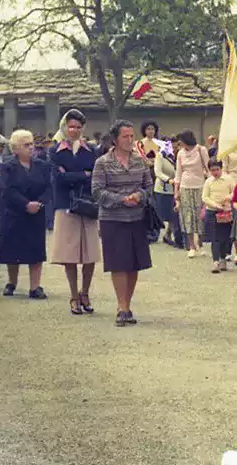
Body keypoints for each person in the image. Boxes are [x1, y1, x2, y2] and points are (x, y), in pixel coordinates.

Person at [91, 119, 153, 326]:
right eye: (125, 136)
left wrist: (139, 196)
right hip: (112, 219)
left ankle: (127, 303)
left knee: (134, 263)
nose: (129, 140)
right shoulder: (102, 162)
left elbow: (149, 187)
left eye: (131, 136)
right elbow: (97, 191)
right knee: (118, 263)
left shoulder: (140, 161)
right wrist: (120, 200)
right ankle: (121, 306)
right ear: (115, 139)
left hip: (136, 218)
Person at [50, 108, 100, 316]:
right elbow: (57, 179)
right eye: (71, 126)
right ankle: (73, 296)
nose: (75, 130)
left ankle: (85, 292)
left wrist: (71, 174)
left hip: (87, 206)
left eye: (79, 127)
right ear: (65, 127)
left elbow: (94, 176)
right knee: (69, 255)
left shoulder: (91, 150)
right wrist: (82, 174)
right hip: (65, 206)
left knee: (90, 255)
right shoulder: (54, 151)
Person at [0, 129, 52, 299]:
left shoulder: (42, 165)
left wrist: (39, 203)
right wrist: (25, 204)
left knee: (36, 250)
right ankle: (12, 282)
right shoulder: (7, 166)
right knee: (12, 250)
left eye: (32, 144)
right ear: (15, 149)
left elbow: (49, 187)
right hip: (14, 213)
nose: (31, 148)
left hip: (36, 214)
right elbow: (7, 190)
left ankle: (35, 287)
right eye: (26, 145)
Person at [174, 130, 208, 258]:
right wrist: (176, 191)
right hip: (185, 186)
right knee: (187, 215)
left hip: (199, 185)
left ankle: (200, 244)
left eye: (181, 140)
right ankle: (191, 246)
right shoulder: (180, 153)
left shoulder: (201, 150)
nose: (179, 143)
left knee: (200, 215)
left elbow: (208, 167)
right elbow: (178, 173)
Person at [202, 157, 237, 273]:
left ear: (221, 169)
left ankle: (223, 259)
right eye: (212, 170)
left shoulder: (228, 179)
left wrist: (228, 198)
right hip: (212, 211)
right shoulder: (208, 181)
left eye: (217, 169)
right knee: (214, 238)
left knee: (225, 237)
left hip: (226, 211)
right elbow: (205, 197)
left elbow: (235, 192)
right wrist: (215, 205)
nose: (215, 172)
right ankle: (215, 262)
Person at [152, 138, 178, 245]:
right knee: (160, 214)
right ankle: (154, 234)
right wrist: (168, 179)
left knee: (173, 213)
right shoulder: (160, 156)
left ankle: (168, 234)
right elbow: (158, 172)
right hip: (162, 188)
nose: (175, 149)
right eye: (173, 147)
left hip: (174, 189)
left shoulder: (176, 157)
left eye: (176, 146)